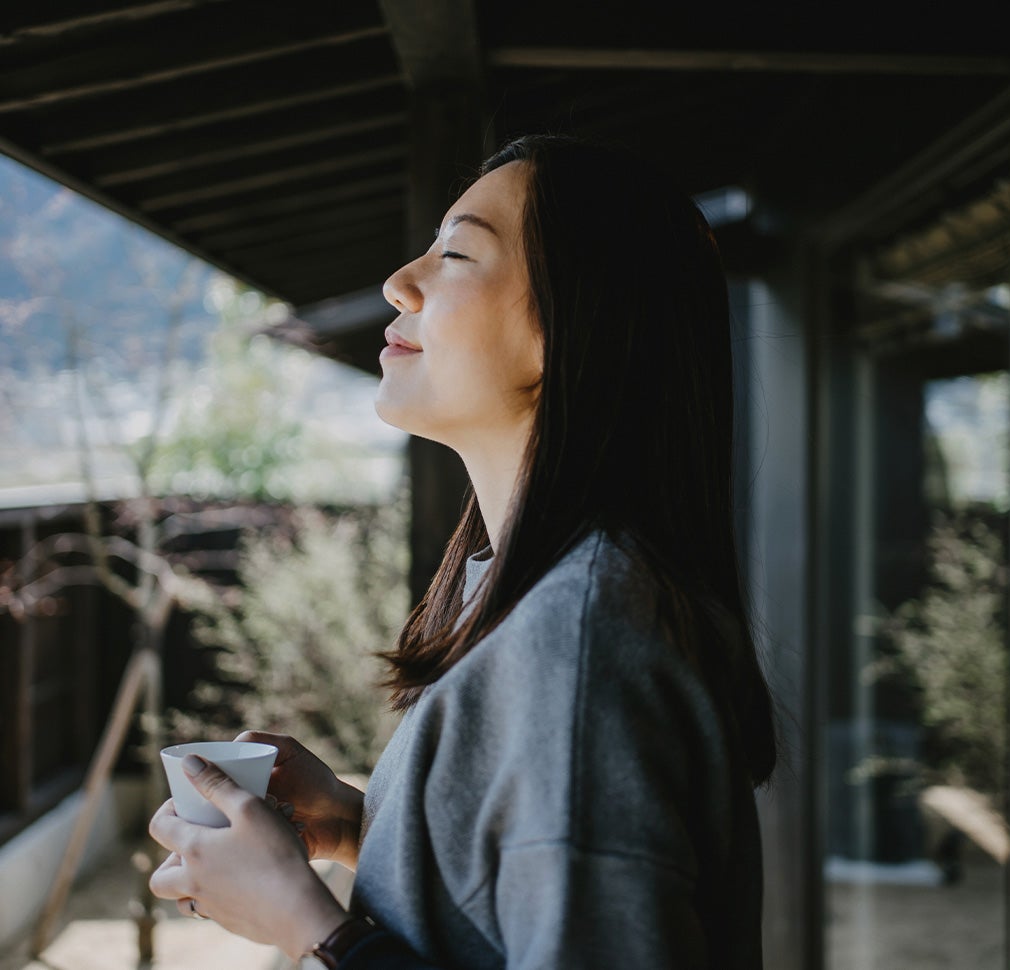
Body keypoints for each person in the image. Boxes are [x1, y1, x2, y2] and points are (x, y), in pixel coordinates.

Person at [149, 134, 777, 969]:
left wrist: (309, 925)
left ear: (571, 323)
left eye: (455, 253)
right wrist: (354, 825)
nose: (399, 282)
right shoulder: (543, 599)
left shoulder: (577, 643)